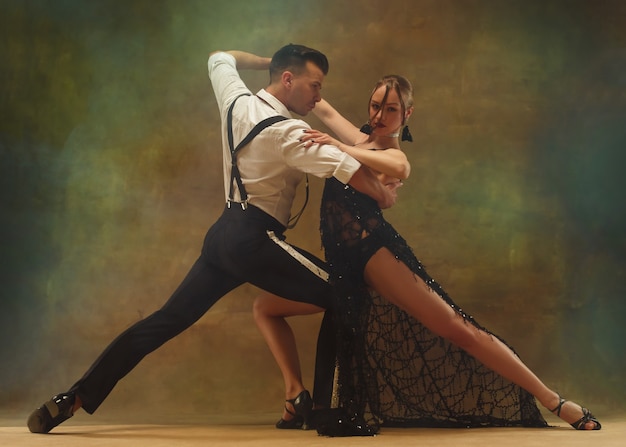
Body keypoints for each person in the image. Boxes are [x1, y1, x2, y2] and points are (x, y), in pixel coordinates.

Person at [26, 44, 395, 434]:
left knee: (167, 320)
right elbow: (346, 168)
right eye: (314, 86)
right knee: (346, 292)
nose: (319, 97)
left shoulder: (235, 99)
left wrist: (265, 61)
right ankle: (322, 410)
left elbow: (220, 57)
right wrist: (384, 194)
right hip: (254, 239)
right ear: (288, 79)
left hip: (222, 236)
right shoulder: (289, 132)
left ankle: (74, 397)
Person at [253, 74, 601, 434]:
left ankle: (553, 400)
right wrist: (275, 69)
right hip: (344, 265)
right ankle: (295, 394)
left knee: (457, 327)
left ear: (407, 114)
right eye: (375, 106)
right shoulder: (361, 138)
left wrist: (336, 147)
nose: (379, 115)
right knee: (265, 307)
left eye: (391, 109)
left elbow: (396, 167)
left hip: (374, 254)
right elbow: (319, 104)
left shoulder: (393, 155)